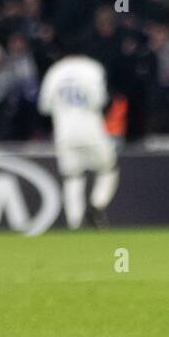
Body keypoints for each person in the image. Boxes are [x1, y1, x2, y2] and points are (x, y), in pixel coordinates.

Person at [37, 53, 119, 228]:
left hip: (64, 132)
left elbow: (43, 106)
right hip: (91, 129)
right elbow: (99, 100)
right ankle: (98, 204)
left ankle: (74, 222)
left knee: (72, 177)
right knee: (108, 168)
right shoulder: (92, 67)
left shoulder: (55, 70)